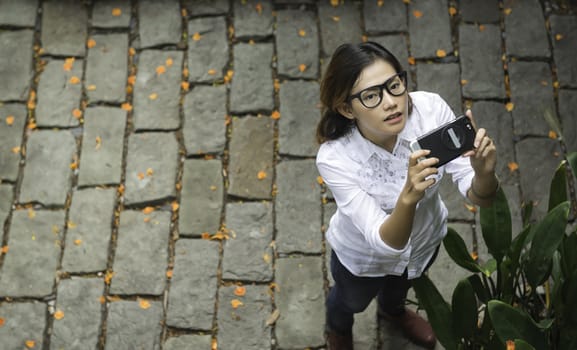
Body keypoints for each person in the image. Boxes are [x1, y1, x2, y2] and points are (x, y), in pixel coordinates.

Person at [316, 41, 499, 350]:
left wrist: (483, 172)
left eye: (394, 85)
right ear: (347, 108)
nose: (391, 102)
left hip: (423, 243)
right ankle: (338, 331)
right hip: (362, 259)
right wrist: (409, 196)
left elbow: (481, 196)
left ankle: (393, 311)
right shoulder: (335, 159)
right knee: (348, 301)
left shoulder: (429, 110)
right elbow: (385, 242)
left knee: (400, 288)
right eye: (372, 96)